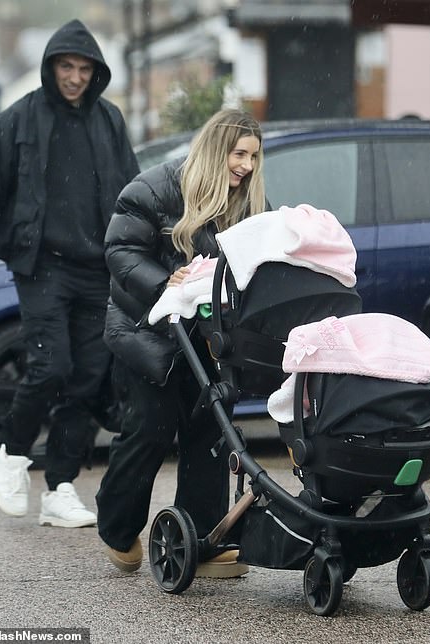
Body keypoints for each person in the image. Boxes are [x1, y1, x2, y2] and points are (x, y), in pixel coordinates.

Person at [0, 19, 139, 529]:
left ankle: (59, 487)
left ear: (95, 73)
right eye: (66, 67)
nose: (75, 77)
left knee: (85, 379)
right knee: (49, 367)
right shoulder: (19, 119)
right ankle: (12, 455)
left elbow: (133, 194)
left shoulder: (110, 121)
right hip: (42, 268)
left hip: (97, 271)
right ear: (50, 67)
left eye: (83, 69)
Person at [95, 108, 267, 577]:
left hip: (208, 337)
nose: (246, 166)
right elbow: (120, 250)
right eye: (238, 154)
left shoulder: (250, 204)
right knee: (149, 427)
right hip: (148, 330)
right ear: (215, 150)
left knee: (210, 430)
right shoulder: (154, 188)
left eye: (253, 156)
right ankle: (117, 524)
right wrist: (163, 285)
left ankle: (201, 538)